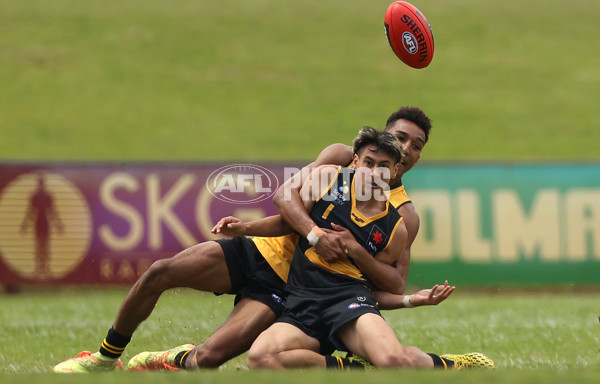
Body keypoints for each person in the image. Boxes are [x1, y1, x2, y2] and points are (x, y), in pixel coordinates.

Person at [52, 107, 456, 373]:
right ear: (379, 140)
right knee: (162, 271)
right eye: (399, 137)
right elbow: (286, 198)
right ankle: (105, 359)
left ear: (418, 157)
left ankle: (171, 357)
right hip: (263, 248)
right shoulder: (340, 159)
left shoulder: (403, 216)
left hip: (291, 288)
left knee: (207, 360)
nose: (405, 148)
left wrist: (395, 298)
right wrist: (308, 234)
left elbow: (384, 280)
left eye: (415, 146)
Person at [246, 127, 494, 370]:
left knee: (394, 362)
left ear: (394, 171)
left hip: (350, 303)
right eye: (369, 163)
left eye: (383, 166)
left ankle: (451, 364)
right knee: (260, 358)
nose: (374, 172)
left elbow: (382, 285)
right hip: (302, 302)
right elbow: (289, 222)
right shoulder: (328, 179)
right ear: (355, 161)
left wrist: (407, 299)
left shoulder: (395, 227)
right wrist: (243, 228)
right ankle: (354, 368)